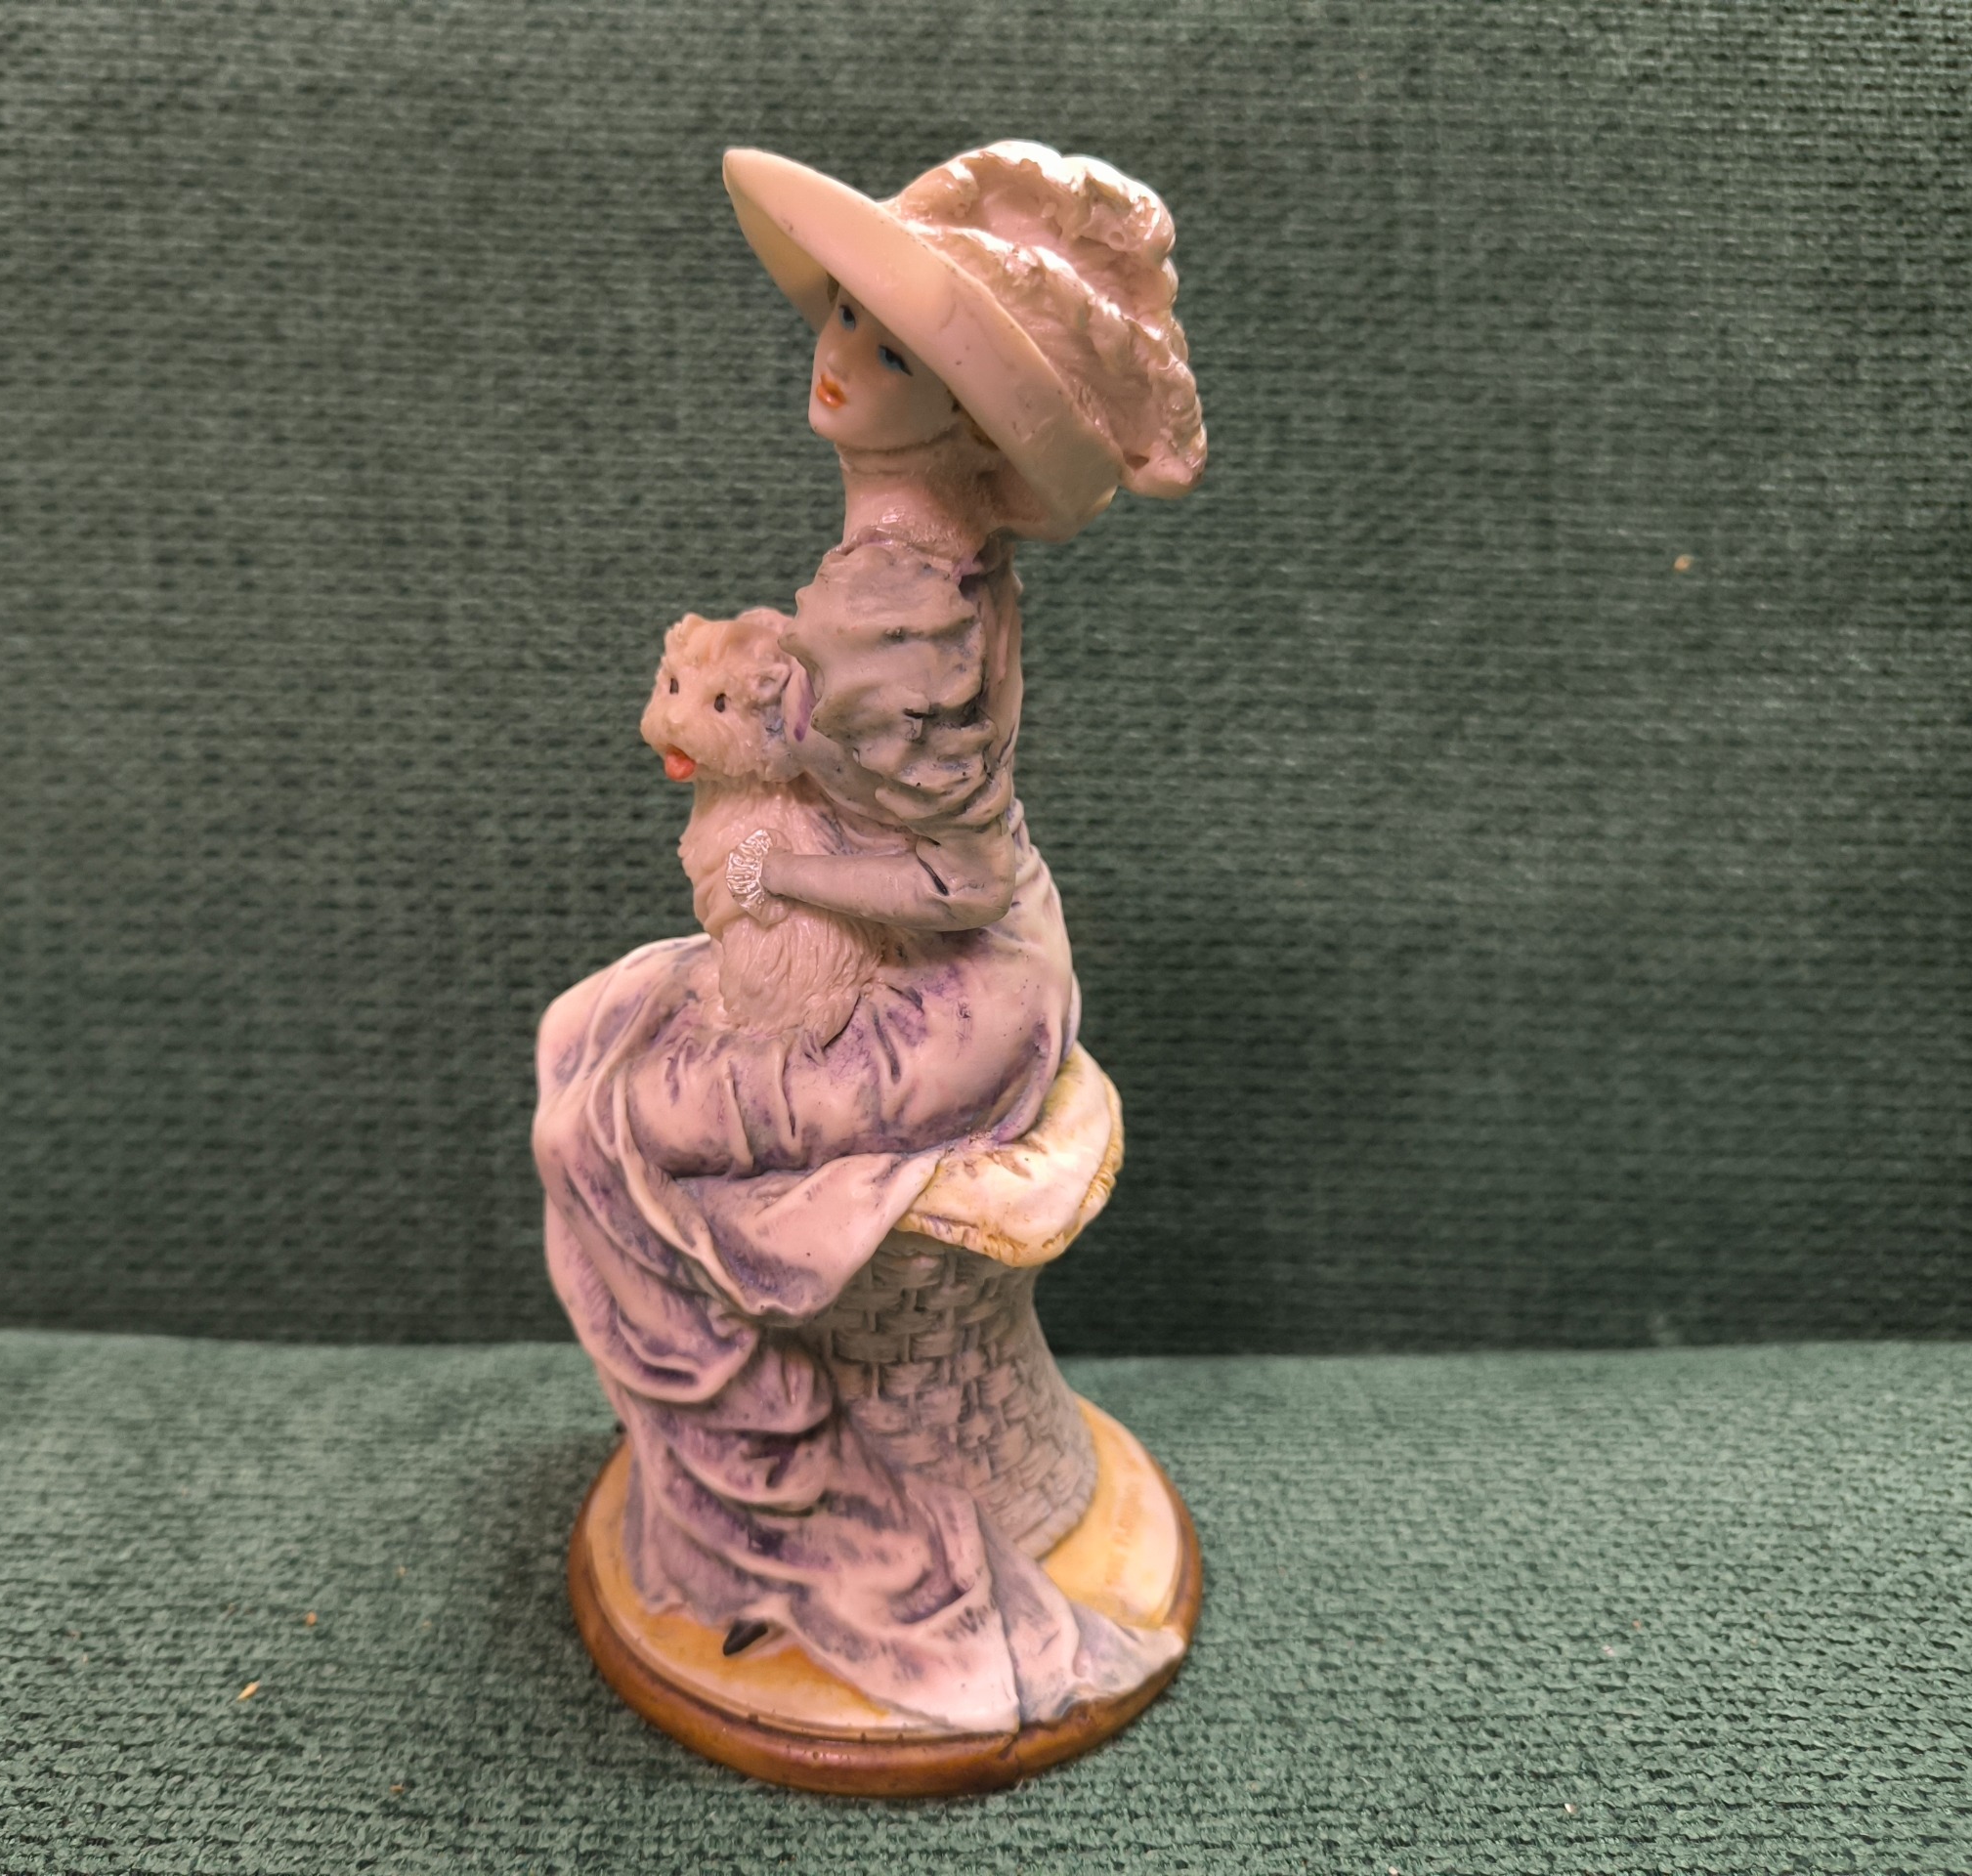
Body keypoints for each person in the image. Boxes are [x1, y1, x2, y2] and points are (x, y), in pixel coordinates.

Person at [533, 143, 1205, 1732]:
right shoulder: (896, 567)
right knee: (591, 1037)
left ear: (968, 410)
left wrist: (777, 857)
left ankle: (791, 1499)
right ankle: (760, 1473)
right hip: (961, 965)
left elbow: (947, 889)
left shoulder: (897, 611)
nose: (838, 356)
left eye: (894, 349)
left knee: (606, 1123)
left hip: (946, 1002)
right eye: (845, 314)